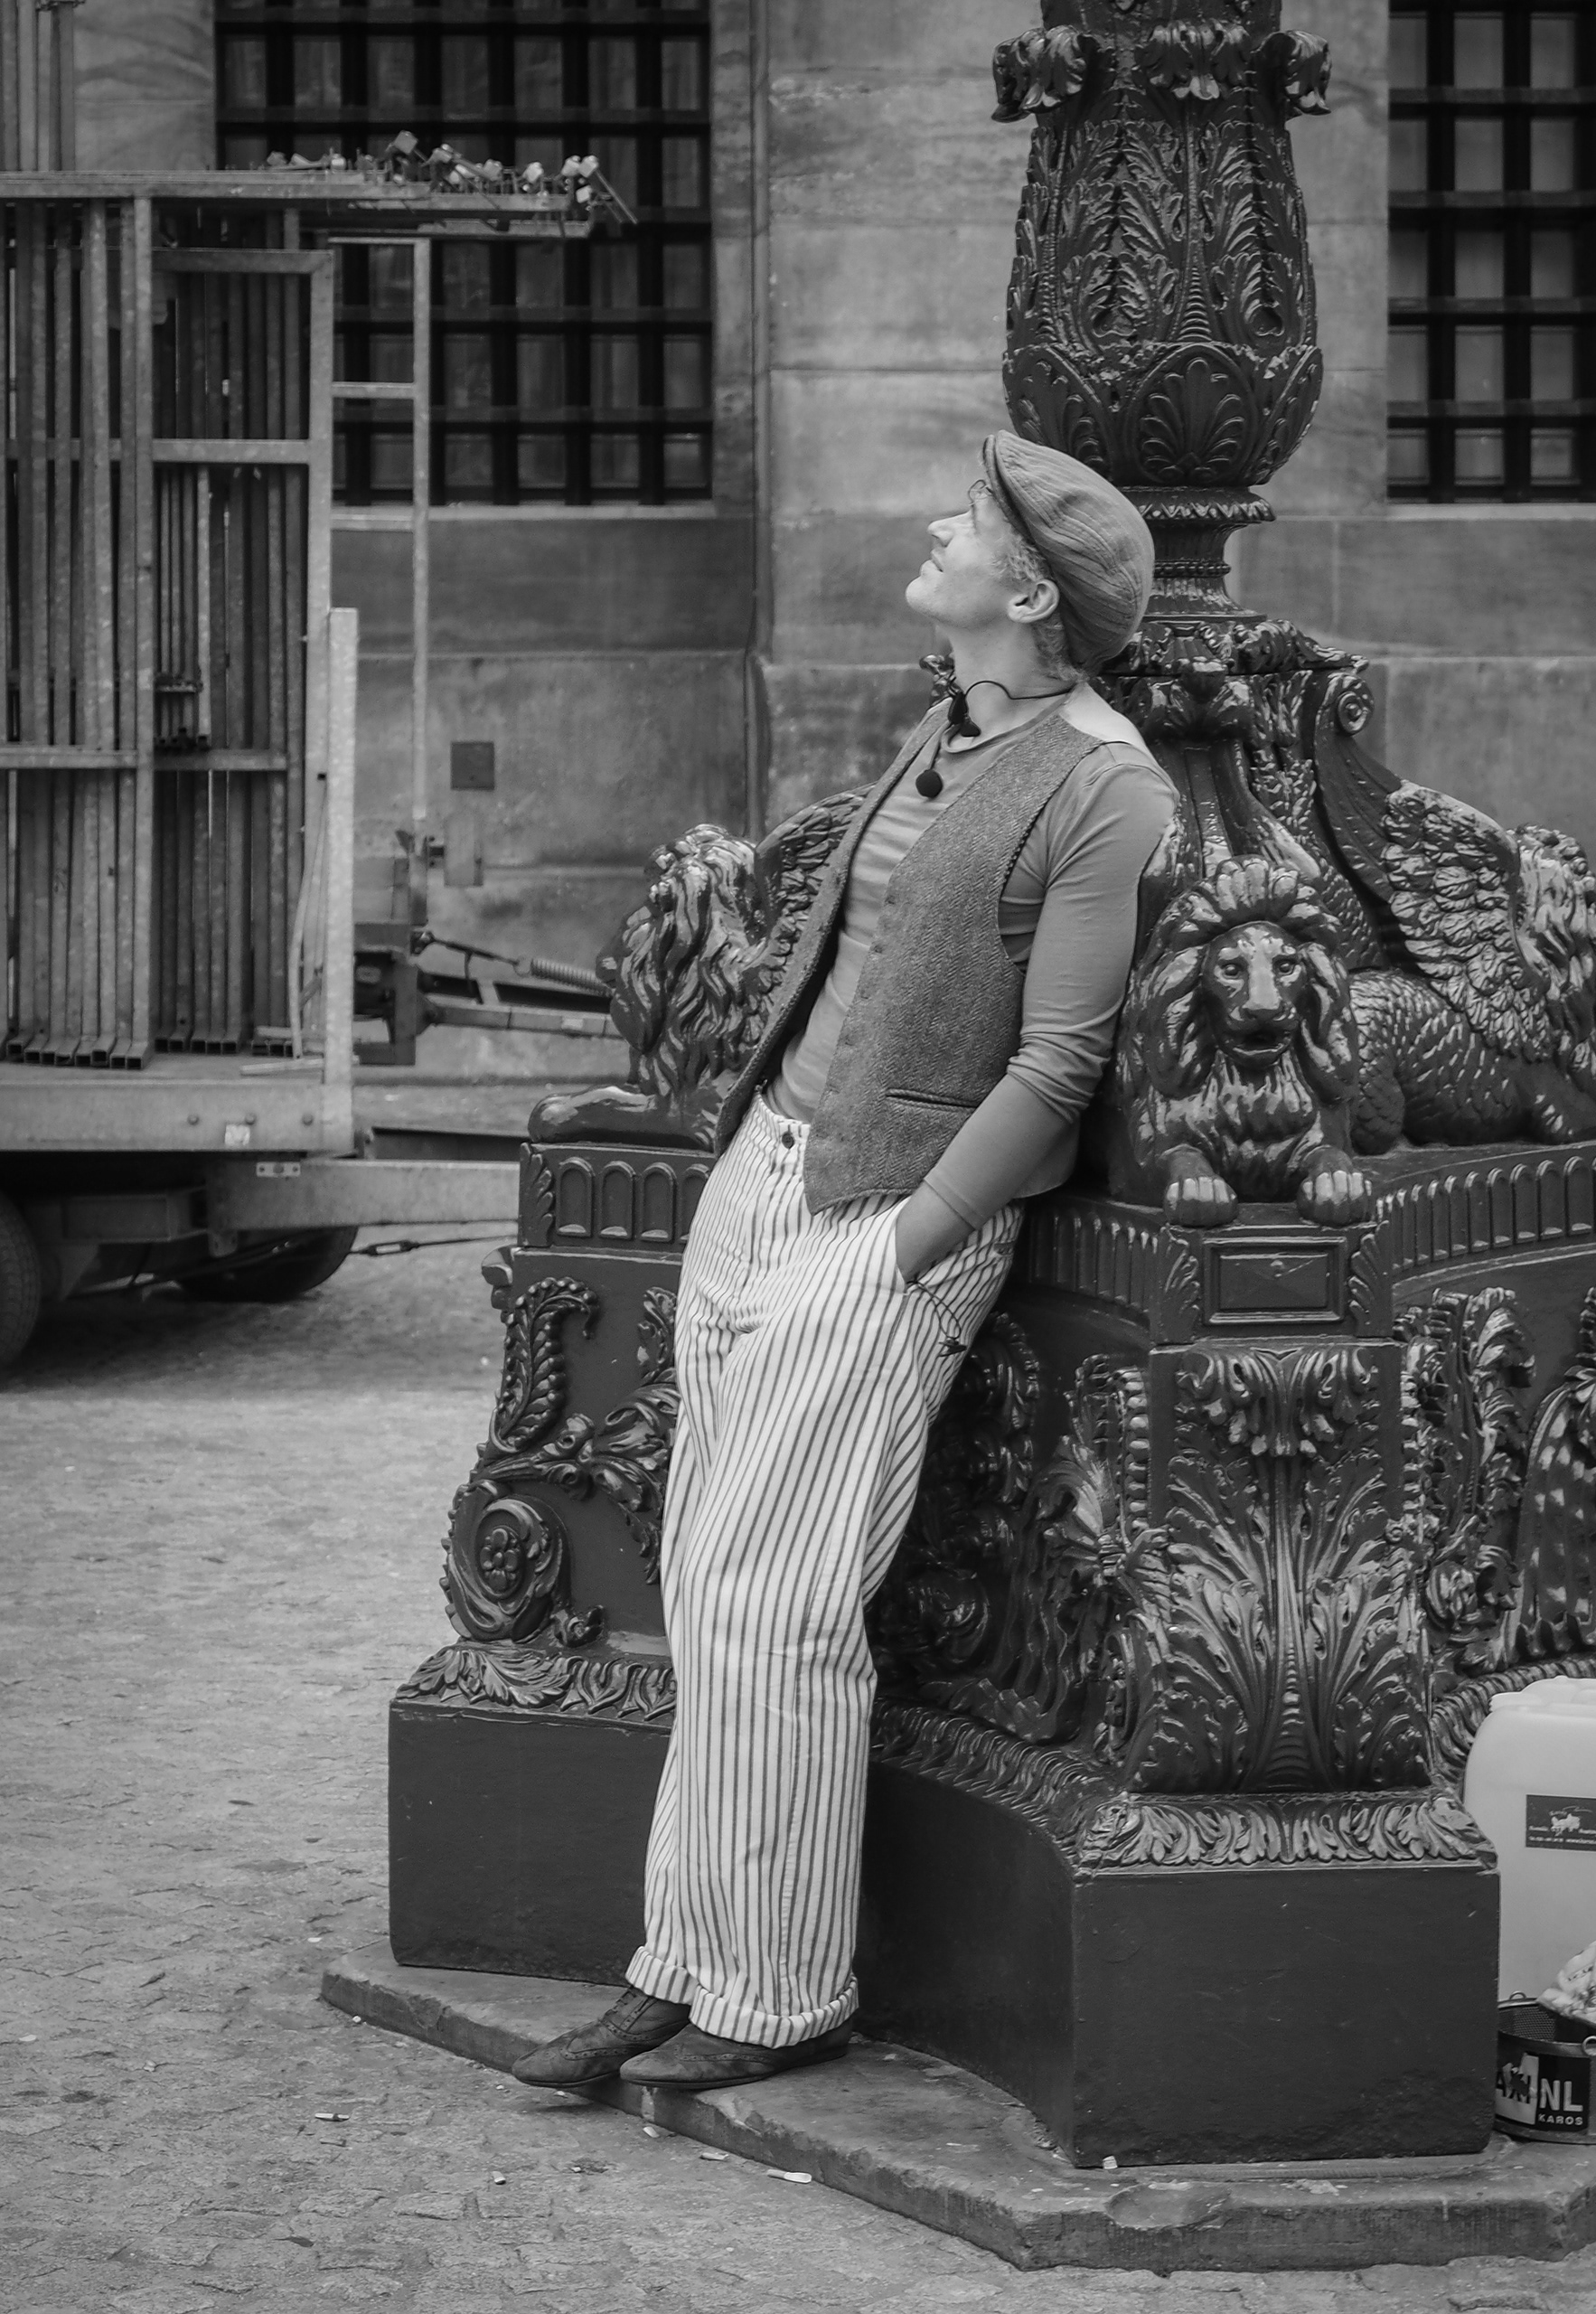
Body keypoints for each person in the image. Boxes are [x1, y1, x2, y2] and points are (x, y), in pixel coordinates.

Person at [513, 432, 1175, 2094]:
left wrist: (910, 1244)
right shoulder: (952, 726)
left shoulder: (1106, 786)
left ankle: (778, 1991)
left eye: (974, 520)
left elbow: (1059, 1066)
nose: (938, 524)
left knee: (780, 1605)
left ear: (1033, 592)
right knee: (705, 1584)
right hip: (770, 1172)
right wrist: (758, 1155)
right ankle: (680, 1964)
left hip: (888, 1225)